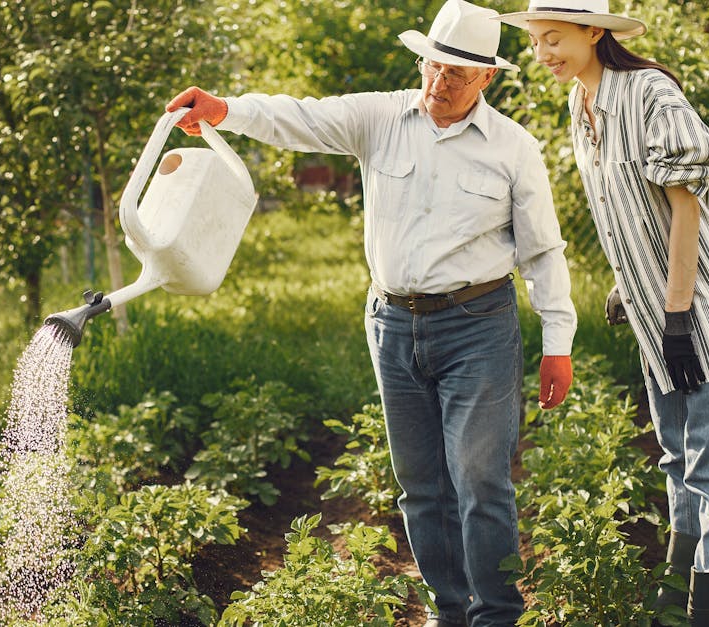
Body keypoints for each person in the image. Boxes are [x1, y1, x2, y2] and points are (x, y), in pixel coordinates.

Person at [166, 1, 575, 625]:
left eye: (458, 74)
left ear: (487, 77)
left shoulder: (514, 149)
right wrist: (226, 110)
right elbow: (299, 117)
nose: (440, 83)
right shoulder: (380, 116)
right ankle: (450, 608)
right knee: (420, 485)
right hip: (392, 325)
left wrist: (558, 340)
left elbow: (543, 250)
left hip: (478, 326)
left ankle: (496, 613)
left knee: (480, 480)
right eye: (433, 67)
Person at [494, 2, 709, 625]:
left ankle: (708, 611)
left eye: (554, 39)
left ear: (595, 32)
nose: (542, 53)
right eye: (536, 41)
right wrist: (631, 284)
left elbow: (687, 208)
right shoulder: (581, 103)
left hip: (700, 306)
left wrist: (678, 312)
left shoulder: (649, 93)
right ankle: (675, 598)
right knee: (676, 459)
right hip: (656, 309)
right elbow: (624, 208)